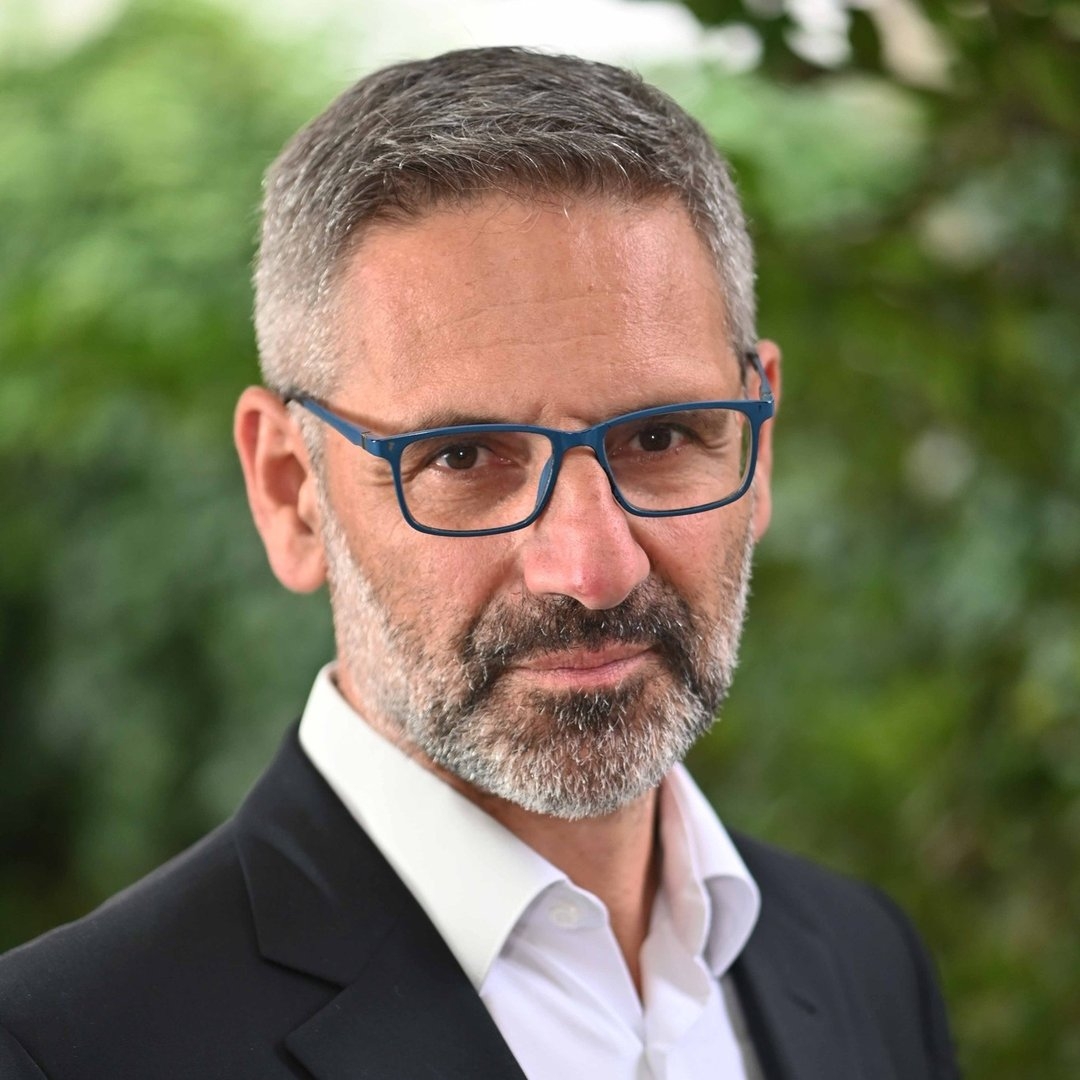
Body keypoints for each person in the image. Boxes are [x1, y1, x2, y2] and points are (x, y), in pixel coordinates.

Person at [0, 46, 958, 1079]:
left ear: (757, 447)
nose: (590, 570)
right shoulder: (65, 1049)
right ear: (290, 492)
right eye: (461, 458)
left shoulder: (866, 962)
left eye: (661, 437)